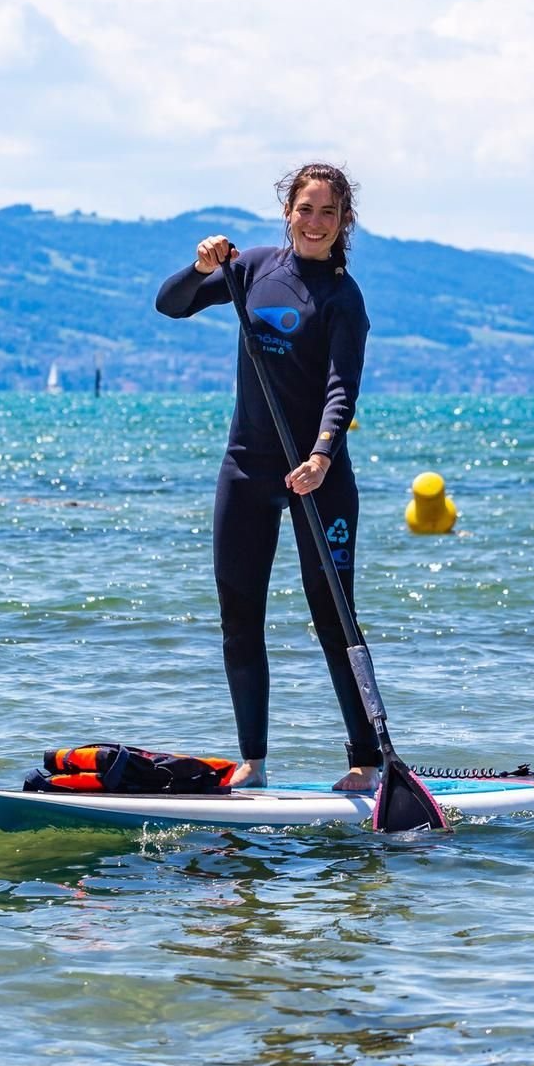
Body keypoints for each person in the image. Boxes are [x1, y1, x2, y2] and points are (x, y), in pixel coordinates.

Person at [155, 163, 379, 792]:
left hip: (317, 474)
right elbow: (169, 305)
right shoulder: (250, 268)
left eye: (328, 213)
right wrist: (199, 269)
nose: (314, 223)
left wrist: (322, 454)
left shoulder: (342, 297)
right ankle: (252, 757)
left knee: (333, 613)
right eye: (305, 209)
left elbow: (342, 388)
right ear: (287, 212)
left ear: (343, 223)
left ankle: (366, 759)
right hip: (247, 466)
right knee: (239, 612)